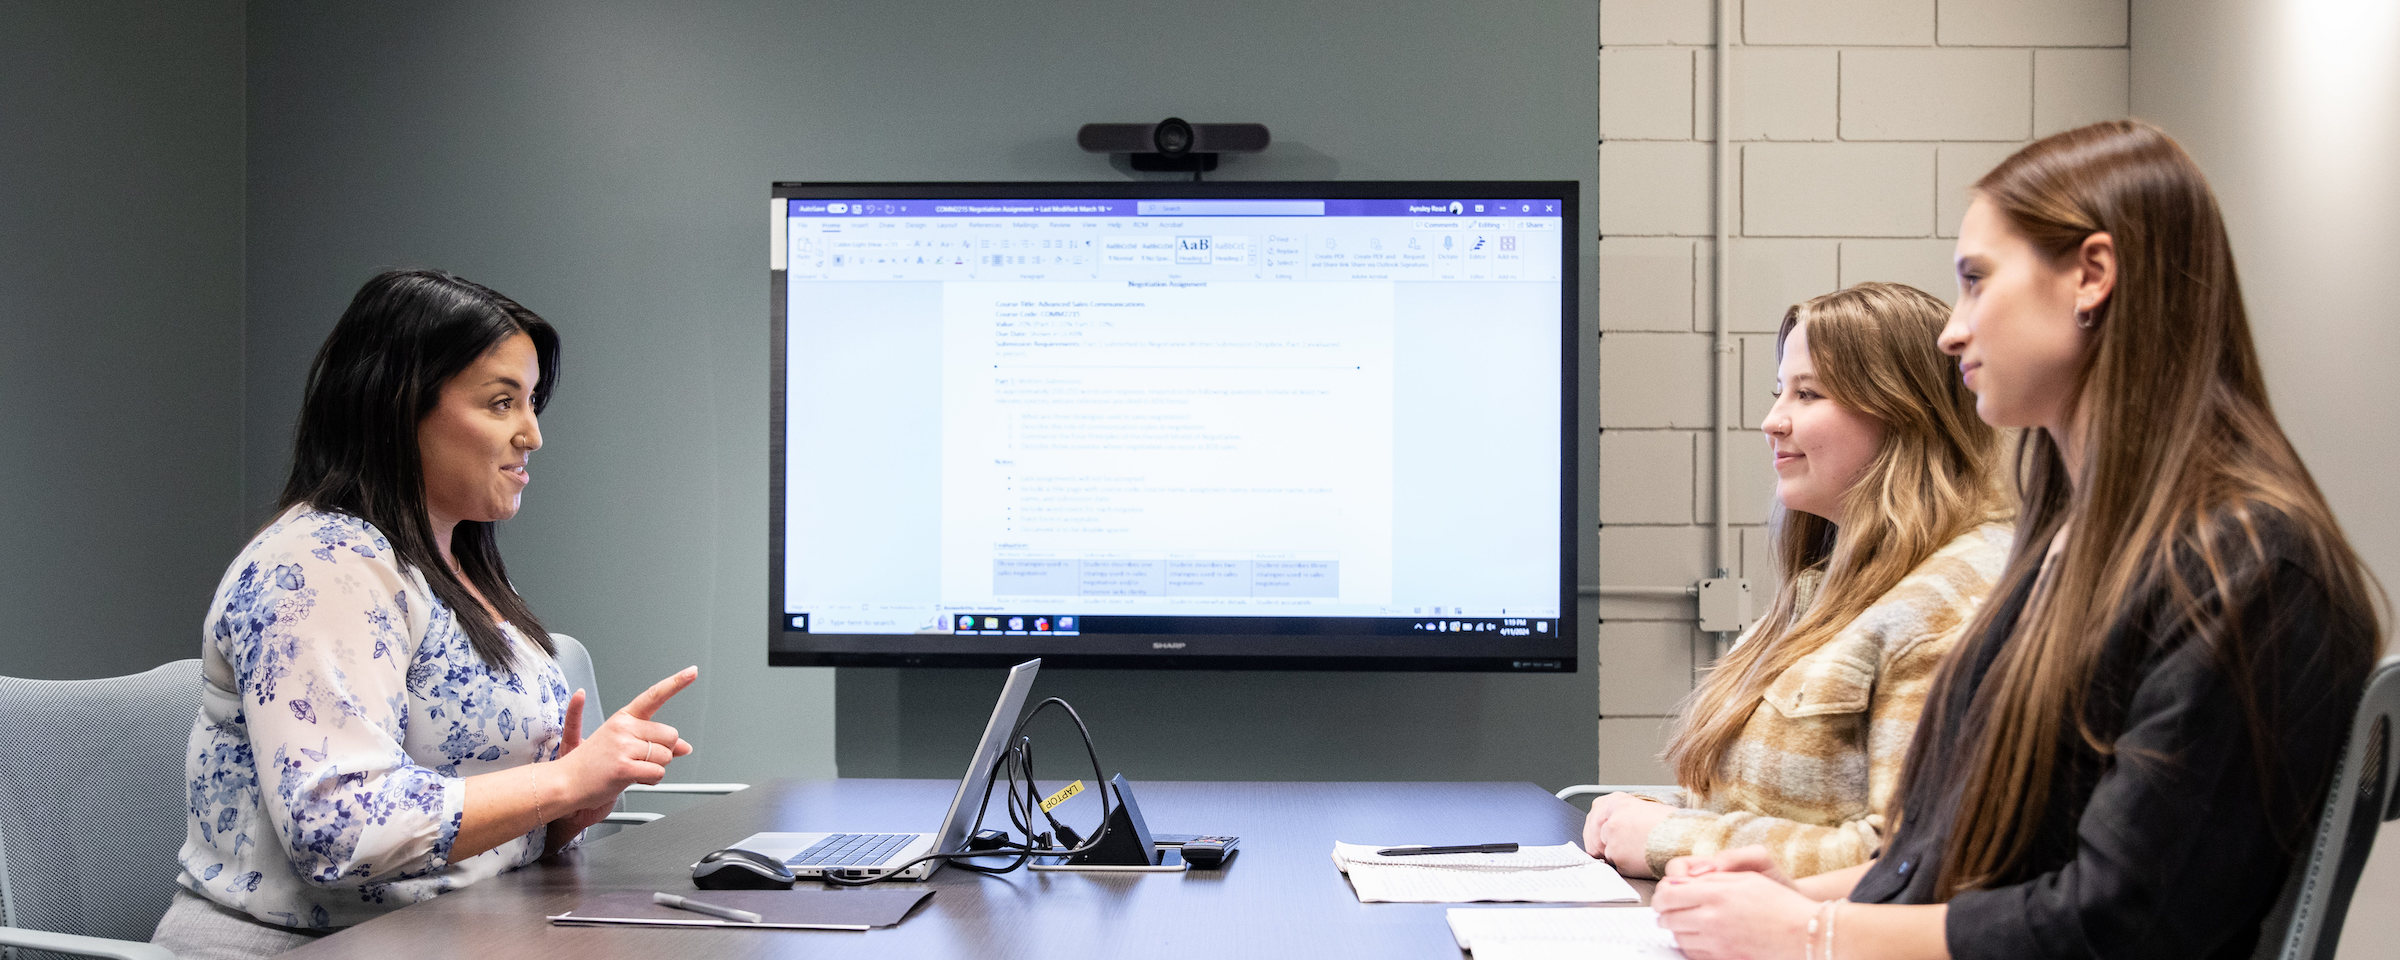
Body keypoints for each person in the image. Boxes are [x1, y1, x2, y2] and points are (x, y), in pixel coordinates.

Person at [1651, 120, 2383, 960]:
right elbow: (1967, 864)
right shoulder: (2071, 545)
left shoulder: (2246, 570)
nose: (1951, 331)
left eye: (1976, 281)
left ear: (2092, 276)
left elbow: (2123, 923)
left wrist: (1813, 933)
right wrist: (1796, 898)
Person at [151, 270, 703, 958]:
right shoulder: (319, 565)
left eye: (532, 402)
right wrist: (560, 781)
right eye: (501, 403)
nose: (532, 434)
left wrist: (569, 806)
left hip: (459, 935)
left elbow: (478, 817)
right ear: (397, 407)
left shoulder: (452, 568)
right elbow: (337, 829)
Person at [1582, 282, 2012, 880]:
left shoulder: (1949, 602)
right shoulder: (1828, 587)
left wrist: (1670, 839)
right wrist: (1651, 815)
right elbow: (1775, 810)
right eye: (1780, 391)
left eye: (1807, 394)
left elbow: (1906, 861)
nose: (1772, 421)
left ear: (1905, 412)